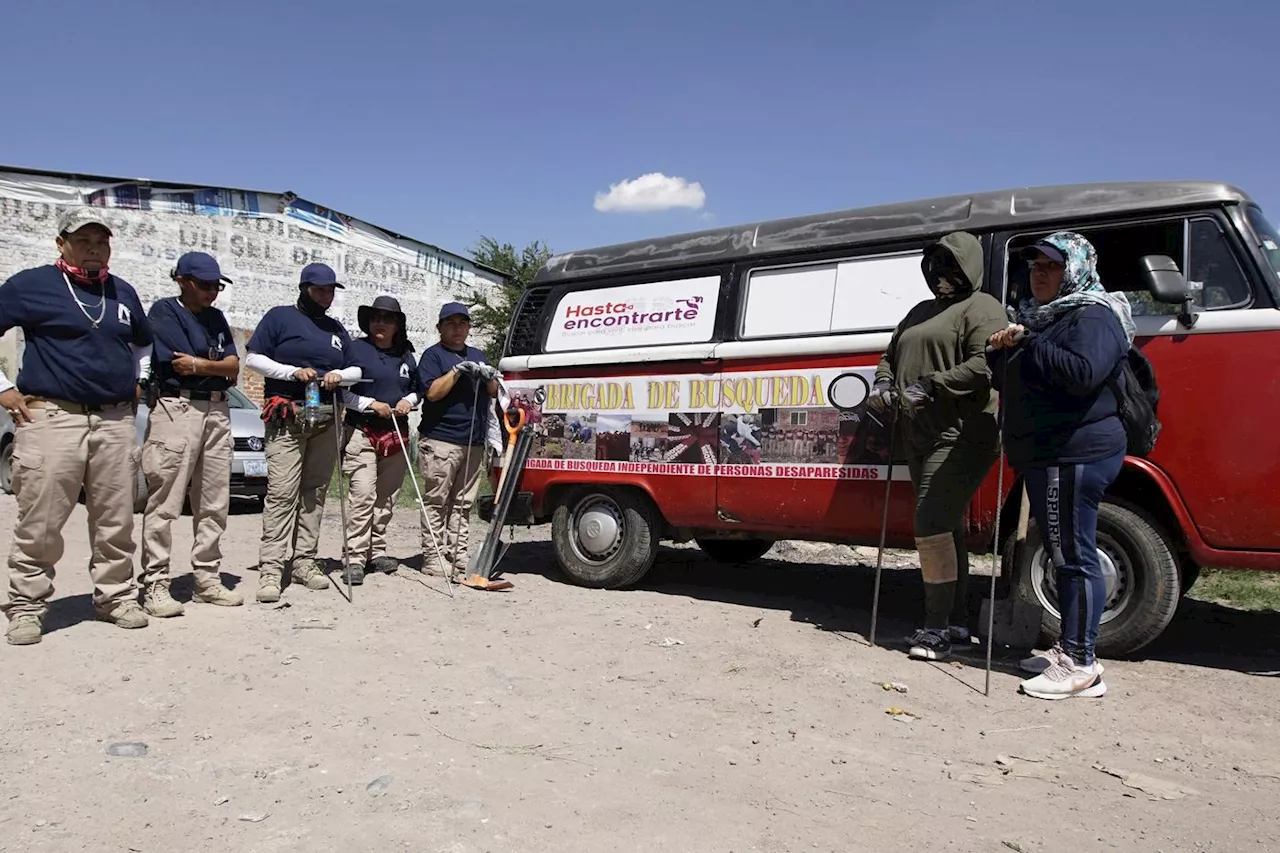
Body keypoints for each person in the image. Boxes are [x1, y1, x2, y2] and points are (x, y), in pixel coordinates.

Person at [987, 231, 1133, 700]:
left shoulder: (1094, 315)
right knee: (1064, 554)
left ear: (1073, 269)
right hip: (1050, 453)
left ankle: (1081, 663)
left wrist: (1029, 341)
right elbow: (1023, 380)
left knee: (1073, 557)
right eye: (1034, 267)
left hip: (1076, 452)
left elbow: (1081, 374)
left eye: (1050, 265)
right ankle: (1071, 650)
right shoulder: (1046, 318)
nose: (1039, 274)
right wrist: (1000, 353)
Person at [0, 208, 154, 644]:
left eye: (101, 241)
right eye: (83, 240)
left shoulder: (121, 291)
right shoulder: (30, 286)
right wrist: (3, 387)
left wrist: (140, 379)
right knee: (42, 518)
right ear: (61, 243)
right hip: (53, 416)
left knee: (115, 517)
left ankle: (115, 597)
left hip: (113, 420)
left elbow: (143, 342)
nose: (93, 248)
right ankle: (28, 605)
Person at [868, 231, 1008, 662]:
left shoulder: (982, 307)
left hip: (962, 433)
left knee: (930, 525)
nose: (942, 274)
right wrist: (885, 385)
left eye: (951, 265)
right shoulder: (920, 311)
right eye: (935, 266)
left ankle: (935, 628)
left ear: (969, 266)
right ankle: (958, 621)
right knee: (947, 528)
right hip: (917, 434)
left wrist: (932, 385)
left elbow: (984, 365)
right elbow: (890, 355)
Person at [245, 263, 362, 603]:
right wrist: (292, 371)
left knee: (315, 492)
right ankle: (270, 568)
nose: (327, 296)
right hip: (287, 412)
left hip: (326, 414)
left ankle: (304, 562)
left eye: (331, 290)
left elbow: (356, 368)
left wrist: (340, 375)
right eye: (321, 290)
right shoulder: (280, 317)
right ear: (305, 288)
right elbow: (253, 360)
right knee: (283, 492)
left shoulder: (337, 329)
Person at [138, 252, 245, 616]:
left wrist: (202, 363)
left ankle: (207, 579)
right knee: (165, 500)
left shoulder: (216, 317)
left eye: (216, 285)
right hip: (177, 407)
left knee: (214, 500)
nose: (212, 292)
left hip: (217, 407)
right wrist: (212, 366)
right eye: (204, 285)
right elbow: (175, 363)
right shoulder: (164, 312)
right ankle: (155, 583)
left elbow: (232, 367)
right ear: (182, 280)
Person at [338, 295, 421, 585]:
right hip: (362, 431)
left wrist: (407, 402)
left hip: (396, 432)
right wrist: (371, 404)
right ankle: (355, 557)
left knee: (387, 497)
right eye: (375, 318)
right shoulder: (355, 350)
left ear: (397, 324)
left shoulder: (406, 354)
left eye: (387, 318)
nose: (380, 323)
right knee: (362, 494)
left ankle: (377, 551)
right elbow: (343, 393)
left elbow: (416, 390)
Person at [416, 302, 499, 579]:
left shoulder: (477, 354)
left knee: (462, 503)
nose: (457, 328)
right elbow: (432, 393)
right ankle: (433, 556)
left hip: (472, 441)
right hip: (441, 440)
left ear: (469, 327)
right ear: (440, 327)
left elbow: (493, 392)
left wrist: (489, 376)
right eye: (450, 323)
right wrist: (456, 371)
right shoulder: (433, 356)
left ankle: (457, 553)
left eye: (462, 323)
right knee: (437, 501)